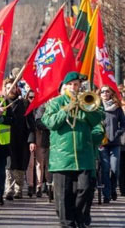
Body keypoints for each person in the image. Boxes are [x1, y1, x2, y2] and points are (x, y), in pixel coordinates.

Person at [41, 72, 103, 227]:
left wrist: (86, 109)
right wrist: (66, 109)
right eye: (72, 84)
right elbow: (49, 122)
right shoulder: (56, 102)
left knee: (86, 189)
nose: (75, 87)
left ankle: (79, 219)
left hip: (84, 156)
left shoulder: (87, 102)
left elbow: (98, 120)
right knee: (63, 195)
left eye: (77, 85)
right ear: (65, 86)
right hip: (62, 157)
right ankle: (67, 223)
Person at [98, 85, 125, 203]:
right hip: (102, 143)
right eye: (102, 92)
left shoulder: (117, 108)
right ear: (100, 94)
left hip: (114, 143)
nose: (105, 93)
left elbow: (124, 124)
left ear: (111, 93)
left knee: (115, 169)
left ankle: (113, 188)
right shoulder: (97, 107)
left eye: (107, 91)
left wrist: (117, 133)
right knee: (105, 169)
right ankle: (107, 194)